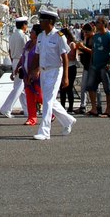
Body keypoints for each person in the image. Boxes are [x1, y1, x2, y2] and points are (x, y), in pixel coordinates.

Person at [32, 9, 75, 140]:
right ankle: (68, 120)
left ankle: (44, 131)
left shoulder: (59, 36)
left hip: (55, 70)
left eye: (42, 21)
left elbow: (65, 57)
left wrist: (66, 77)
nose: (40, 23)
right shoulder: (40, 36)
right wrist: (34, 69)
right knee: (49, 100)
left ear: (49, 21)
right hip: (44, 71)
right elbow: (37, 55)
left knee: (48, 101)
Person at [0, 16, 30, 117]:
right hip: (22, 61)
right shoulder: (24, 36)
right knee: (19, 87)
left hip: (15, 61)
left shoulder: (12, 36)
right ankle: (6, 108)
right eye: (26, 24)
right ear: (24, 25)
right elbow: (27, 51)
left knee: (22, 88)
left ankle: (27, 110)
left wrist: (13, 63)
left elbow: (10, 51)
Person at [86, 16, 110, 117]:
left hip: (105, 66)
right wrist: (91, 62)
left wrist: (109, 63)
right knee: (91, 86)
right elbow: (93, 50)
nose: (96, 24)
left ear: (104, 24)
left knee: (108, 88)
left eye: (98, 22)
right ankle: (94, 108)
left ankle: (108, 110)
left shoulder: (109, 36)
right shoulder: (95, 36)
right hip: (94, 65)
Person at [59, 26, 79, 114]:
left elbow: (72, 56)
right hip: (62, 67)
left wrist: (63, 55)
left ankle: (70, 107)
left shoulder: (71, 44)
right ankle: (62, 106)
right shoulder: (61, 44)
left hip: (71, 67)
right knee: (62, 88)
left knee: (69, 88)